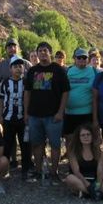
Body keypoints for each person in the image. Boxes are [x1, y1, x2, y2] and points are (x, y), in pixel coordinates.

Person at [24, 41, 70, 184]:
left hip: (53, 116)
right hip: (35, 115)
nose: (43, 53)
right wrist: (26, 113)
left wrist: (60, 112)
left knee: (55, 145)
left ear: (50, 52)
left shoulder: (58, 70)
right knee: (37, 145)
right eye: (40, 51)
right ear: (37, 54)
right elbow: (27, 93)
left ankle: (54, 172)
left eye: (45, 50)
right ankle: (38, 172)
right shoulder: (32, 71)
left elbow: (66, 92)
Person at [64, 124, 103, 200]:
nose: (86, 137)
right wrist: (88, 185)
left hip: (95, 181)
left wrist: (98, 185)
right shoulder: (73, 152)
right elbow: (76, 172)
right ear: (79, 138)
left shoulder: (98, 152)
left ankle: (88, 193)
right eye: (82, 135)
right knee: (69, 178)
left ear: (92, 136)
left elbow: (100, 172)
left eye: (88, 134)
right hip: (81, 180)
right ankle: (100, 194)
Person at [0, 56, 30, 178]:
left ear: (24, 68)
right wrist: (0, 115)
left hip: (23, 118)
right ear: (10, 69)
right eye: (15, 66)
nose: (18, 69)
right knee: (7, 144)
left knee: (25, 144)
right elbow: (0, 99)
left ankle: (25, 170)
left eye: (20, 66)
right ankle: (5, 169)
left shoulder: (26, 82)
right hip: (8, 118)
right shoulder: (5, 82)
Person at [63, 48, 96, 151]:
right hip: (70, 113)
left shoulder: (94, 71)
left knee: (87, 140)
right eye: (79, 57)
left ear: (88, 59)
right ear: (74, 58)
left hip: (86, 113)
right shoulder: (68, 71)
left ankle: (85, 163)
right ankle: (72, 164)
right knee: (70, 139)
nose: (82, 59)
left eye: (84, 57)